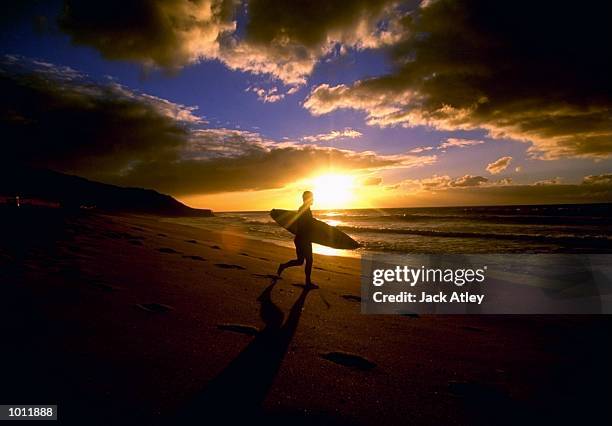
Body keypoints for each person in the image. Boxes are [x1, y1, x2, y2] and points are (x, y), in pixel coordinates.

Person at [277, 191, 317, 288]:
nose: (313, 199)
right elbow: (303, 225)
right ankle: (308, 282)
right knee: (309, 260)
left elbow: (303, 223)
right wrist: (312, 224)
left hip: (300, 238)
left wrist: (312, 222)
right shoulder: (305, 210)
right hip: (303, 239)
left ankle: (283, 266)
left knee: (300, 261)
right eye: (312, 197)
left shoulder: (304, 209)